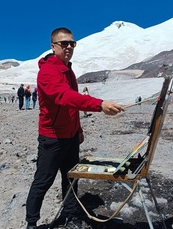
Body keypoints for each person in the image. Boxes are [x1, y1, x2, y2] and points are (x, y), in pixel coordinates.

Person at [25, 27, 124, 229]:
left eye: (72, 43)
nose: (69, 46)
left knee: (71, 178)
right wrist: (99, 104)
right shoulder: (48, 71)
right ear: (53, 47)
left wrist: (78, 129)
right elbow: (64, 97)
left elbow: (72, 107)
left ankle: (71, 214)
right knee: (43, 181)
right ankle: (31, 222)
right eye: (64, 43)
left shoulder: (68, 70)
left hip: (70, 136)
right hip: (52, 138)